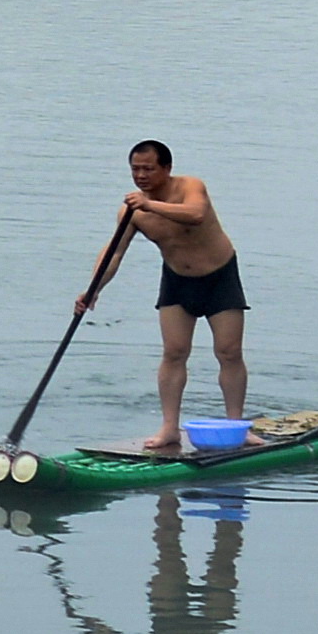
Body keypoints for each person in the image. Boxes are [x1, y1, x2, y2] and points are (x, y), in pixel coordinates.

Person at [103, 137, 246, 454]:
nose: (141, 176)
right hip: (177, 281)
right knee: (174, 352)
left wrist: (150, 204)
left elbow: (195, 214)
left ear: (166, 169)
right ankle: (169, 428)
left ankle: (237, 426)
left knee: (228, 352)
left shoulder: (190, 187)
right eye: (135, 169)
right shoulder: (132, 212)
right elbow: (114, 254)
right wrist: (92, 290)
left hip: (220, 276)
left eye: (148, 169)